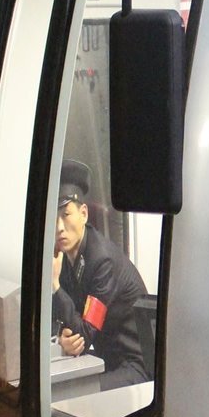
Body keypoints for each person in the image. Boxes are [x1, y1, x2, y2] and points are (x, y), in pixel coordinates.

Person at [52, 159, 150, 390]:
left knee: (78, 393)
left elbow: (84, 336)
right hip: (106, 360)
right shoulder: (67, 258)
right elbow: (72, 323)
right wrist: (64, 338)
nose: (59, 227)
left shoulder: (102, 261)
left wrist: (54, 285)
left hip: (133, 365)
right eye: (53, 219)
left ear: (84, 213)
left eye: (66, 214)